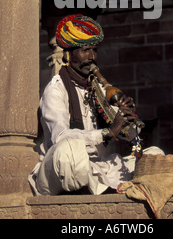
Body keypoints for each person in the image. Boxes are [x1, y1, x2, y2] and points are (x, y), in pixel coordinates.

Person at [29, 14, 164, 195]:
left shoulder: (99, 88)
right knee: (68, 152)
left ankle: (101, 189)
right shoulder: (56, 89)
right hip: (59, 171)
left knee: (155, 156)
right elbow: (60, 138)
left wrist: (128, 119)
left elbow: (129, 135)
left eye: (94, 50)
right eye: (85, 50)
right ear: (69, 54)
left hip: (97, 167)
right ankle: (105, 189)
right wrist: (108, 132)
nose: (91, 57)